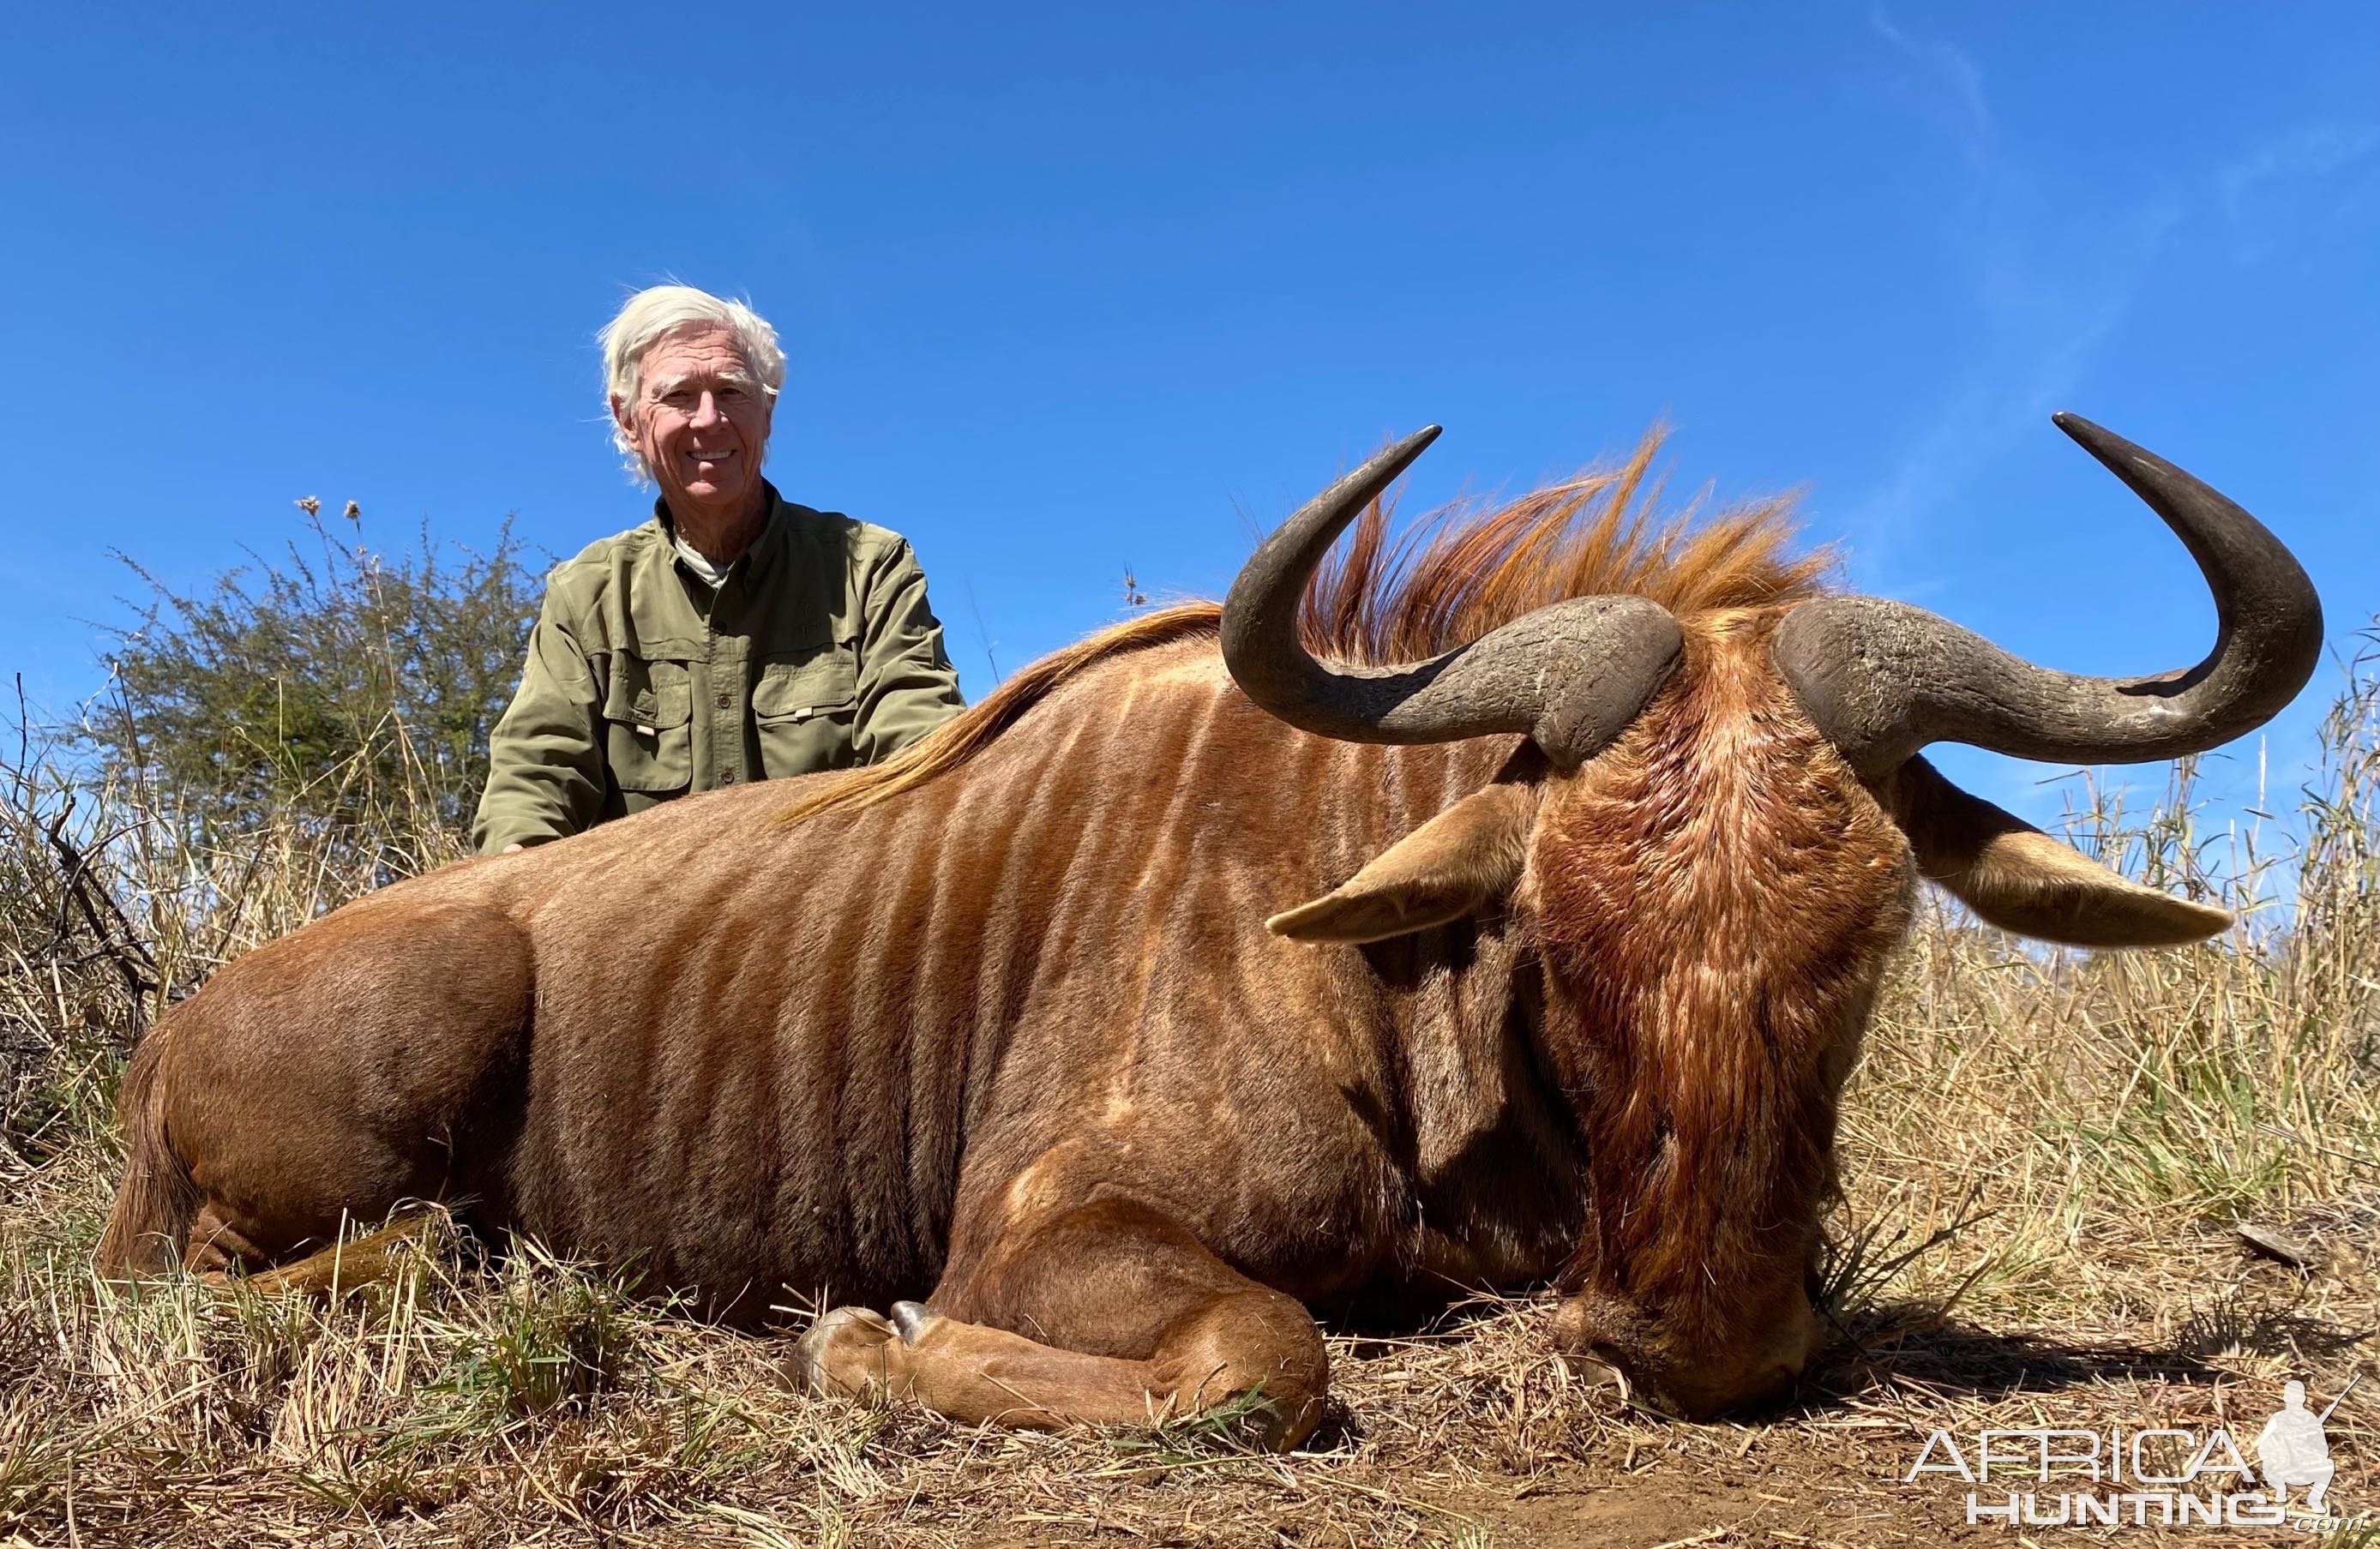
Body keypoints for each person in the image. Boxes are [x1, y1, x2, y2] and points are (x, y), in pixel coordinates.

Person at [472, 286, 965, 853]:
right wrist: (516, 859)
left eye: (732, 391)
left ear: (768, 411)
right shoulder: (585, 593)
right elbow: (535, 773)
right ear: (629, 419)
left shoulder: (868, 566)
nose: (710, 420)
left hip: (829, 921)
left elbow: (925, 748)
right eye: (679, 395)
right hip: (643, 921)